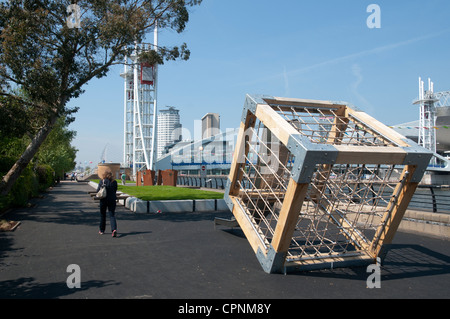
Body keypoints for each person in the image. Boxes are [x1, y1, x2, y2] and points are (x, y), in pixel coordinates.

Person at [97, 171, 118, 237]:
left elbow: (98, 190)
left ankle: (102, 230)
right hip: (112, 200)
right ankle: (114, 229)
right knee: (112, 215)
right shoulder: (114, 182)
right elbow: (115, 190)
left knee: (103, 215)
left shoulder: (102, 182)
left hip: (103, 200)